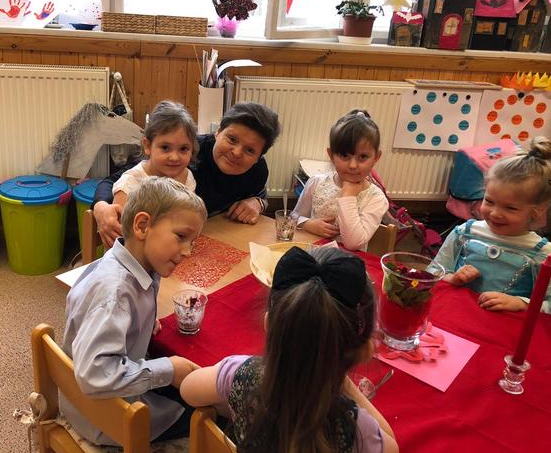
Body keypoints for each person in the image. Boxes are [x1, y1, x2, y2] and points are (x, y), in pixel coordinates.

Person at [179, 246, 398, 453]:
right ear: (365, 351)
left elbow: (189, 390)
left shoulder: (240, 372)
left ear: (268, 324)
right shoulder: (358, 429)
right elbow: (392, 446)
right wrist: (340, 379)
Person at [61, 177, 207, 445]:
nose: (188, 251)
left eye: (193, 242)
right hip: (104, 416)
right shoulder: (116, 292)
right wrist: (169, 370)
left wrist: (141, 320)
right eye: (181, 237)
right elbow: (95, 375)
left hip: (90, 399)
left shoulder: (131, 264)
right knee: (209, 414)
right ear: (142, 226)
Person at [93, 102, 281, 246]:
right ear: (218, 132)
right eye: (232, 139)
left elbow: (260, 193)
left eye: (250, 150)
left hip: (206, 238)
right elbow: (117, 180)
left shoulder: (257, 170)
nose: (237, 152)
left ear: (258, 157)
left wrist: (258, 202)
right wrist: (101, 206)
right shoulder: (185, 151)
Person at [431, 137, 551, 313]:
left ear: (537, 212)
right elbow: (434, 271)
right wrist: (452, 278)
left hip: (503, 326)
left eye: (510, 208)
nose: (495, 213)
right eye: (489, 201)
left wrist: (521, 303)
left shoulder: (543, 253)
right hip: (454, 314)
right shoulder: (464, 232)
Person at [292, 109, 388, 251]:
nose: (353, 165)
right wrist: (307, 224)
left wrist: (348, 196)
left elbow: (354, 243)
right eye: (344, 155)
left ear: (376, 157)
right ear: (331, 155)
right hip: (312, 255)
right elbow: (294, 216)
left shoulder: (376, 198)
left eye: (363, 157)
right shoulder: (316, 183)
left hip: (347, 261)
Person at [112, 101, 198, 211]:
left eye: (183, 149)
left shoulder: (186, 177)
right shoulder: (130, 184)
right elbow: (118, 221)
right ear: (148, 146)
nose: (174, 157)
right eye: (165, 148)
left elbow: (189, 215)